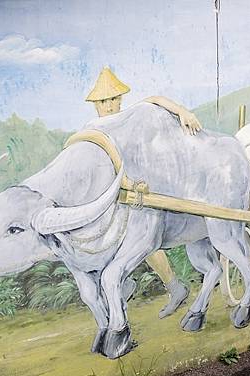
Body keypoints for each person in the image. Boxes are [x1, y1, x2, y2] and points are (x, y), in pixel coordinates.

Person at [84, 66, 200, 318]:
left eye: (113, 99)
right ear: (95, 104)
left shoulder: (128, 118)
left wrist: (182, 111)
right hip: (110, 194)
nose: (109, 105)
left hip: (137, 188)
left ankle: (169, 286)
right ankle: (128, 285)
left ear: (119, 100)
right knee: (102, 237)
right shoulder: (92, 129)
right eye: (103, 101)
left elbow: (154, 100)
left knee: (143, 235)